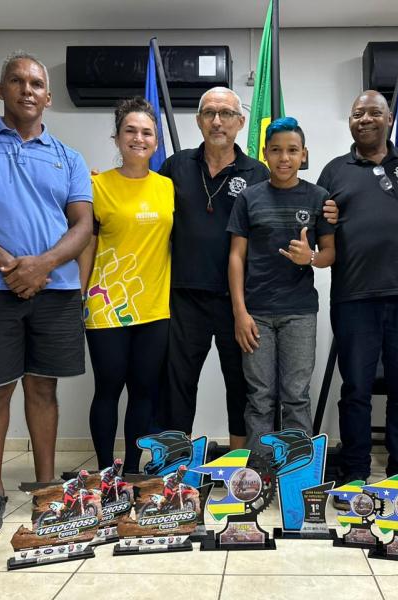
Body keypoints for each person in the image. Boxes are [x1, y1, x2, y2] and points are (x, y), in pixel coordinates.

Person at [0, 51, 93, 540]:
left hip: (55, 289)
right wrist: (12, 267)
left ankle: (47, 489)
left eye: (36, 84)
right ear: (0, 89)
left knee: (43, 387)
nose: (27, 89)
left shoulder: (69, 157)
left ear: (47, 97)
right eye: (17, 80)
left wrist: (42, 266)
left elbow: (83, 225)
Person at [317, 91, 398, 484]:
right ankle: (355, 471)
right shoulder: (334, 171)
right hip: (354, 298)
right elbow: (319, 228)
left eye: (373, 112)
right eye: (356, 113)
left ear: (390, 118)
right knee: (356, 390)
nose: (364, 119)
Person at [158, 87, 269, 450]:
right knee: (177, 386)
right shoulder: (175, 166)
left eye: (226, 113)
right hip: (183, 298)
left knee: (240, 385)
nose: (217, 121)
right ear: (198, 120)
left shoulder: (257, 172)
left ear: (241, 122)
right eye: (209, 113)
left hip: (237, 302)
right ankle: (176, 467)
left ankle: (238, 467)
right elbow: (147, 205)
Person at [78, 97, 174, 474]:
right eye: (130, 131)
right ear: (117, 138)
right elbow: (86, 245)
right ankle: (106, 474)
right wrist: (78, 296)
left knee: (144, 392)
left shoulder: (168, 187)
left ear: (156, 141)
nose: (138, 138)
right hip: (105, 306)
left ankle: (132, 471)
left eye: (147, 132)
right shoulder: (96, 185)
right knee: (108, 388)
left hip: (154, 307)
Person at [228, 117, 335, 453]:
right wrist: (240, 313)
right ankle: (260, 470)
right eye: (276, 150)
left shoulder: (318, 197)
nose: (284, 158)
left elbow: (330, 253)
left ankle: (296, 470)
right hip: (256, 314)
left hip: (299, 313)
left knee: (296, 396)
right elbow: (236, 257)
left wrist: (310, 258)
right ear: (265, 154)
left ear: (304, 154)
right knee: (259, 397)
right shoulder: (249, 198)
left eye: (292, 150)